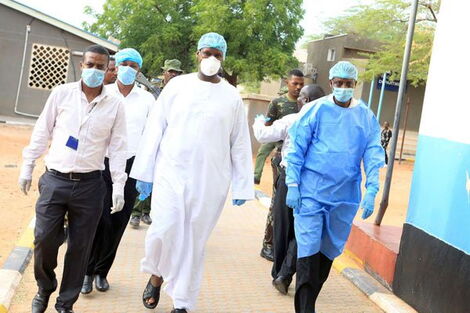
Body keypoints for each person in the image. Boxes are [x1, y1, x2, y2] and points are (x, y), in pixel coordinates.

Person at [129, 32, 253, 313]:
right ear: (197, 54)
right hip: (170, 173)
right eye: (207, 53)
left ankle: (182, 301)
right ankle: (157, 275)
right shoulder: (177, 87)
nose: (211, 59)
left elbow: (240, 143)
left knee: (194, 242)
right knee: (163, 230)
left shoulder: (232, 96)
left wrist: (242, 185)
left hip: (211, 181)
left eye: (217, 55)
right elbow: (154, 130)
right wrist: (144, 173)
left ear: (223, 59)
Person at [18, 44, 127, 313]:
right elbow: (42, 131)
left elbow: (118, 147)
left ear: (108, 70)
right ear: (82, 64)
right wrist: (28, 165)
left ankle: (65, 302)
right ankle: (45, 287)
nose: (94, 70)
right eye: (90, 64)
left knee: (80, 248)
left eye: (100, 67)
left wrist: (119, 185)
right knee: (44, 239)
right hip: (55, 180)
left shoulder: (115, 104)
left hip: (90, 185)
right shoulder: (61, 94)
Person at [285, 61, 384, 313]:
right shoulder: (316, 110)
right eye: (338, 83)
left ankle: (310, 302)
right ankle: (305, 309)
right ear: (331, 83)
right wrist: (293, 184)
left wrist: (372, 189)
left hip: (344, 197)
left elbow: (373, 152)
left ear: (355, 85)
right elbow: (297, 148)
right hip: (311, 193)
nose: (343, 88)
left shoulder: (365, 117)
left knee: (326, 256)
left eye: (348, 84)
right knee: (307, 252)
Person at [81, 48, 154, 295]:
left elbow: (152, 136)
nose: (128, 69)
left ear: (139, 70)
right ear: (114, 66)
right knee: (97, 219)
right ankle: (87, 272)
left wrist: (147, 173)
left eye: (133, 65)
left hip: (131, 166)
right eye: (124, 64)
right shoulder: (104, 93)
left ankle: (102, 272)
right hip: (101, 164)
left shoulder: (147, 100)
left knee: (117, 222)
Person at [253, 84, 326, 296]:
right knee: (304, 229)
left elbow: (263, 134)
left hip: (290, 179)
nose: (299, 99)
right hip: (314, 182)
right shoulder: (326, 125)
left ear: (306, 100)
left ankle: (280, 273)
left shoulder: (293, 119)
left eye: (302, 96)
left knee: (283, 226)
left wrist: (258, 120)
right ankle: (285, 274)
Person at [129, 58, 183, 228]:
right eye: (170, 71)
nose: (173, 75)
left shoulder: (182, 92)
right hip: (151, 137)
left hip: (170, 140)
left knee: (158, 178)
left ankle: (147, 212)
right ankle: (136, 213)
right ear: (164, 73)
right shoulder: (152, 90)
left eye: (176, 72)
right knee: (145, 174)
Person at [259, 69, 305, 261]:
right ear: (287, 83)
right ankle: (268, 244)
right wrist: (259, 165)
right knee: (277, 203)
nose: (298, 87)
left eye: (301, 84)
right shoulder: (277, 103)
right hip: (281, 159)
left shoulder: (309, 103)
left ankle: (285, 246)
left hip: (302, 161)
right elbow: (267, 130)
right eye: (295, 83)